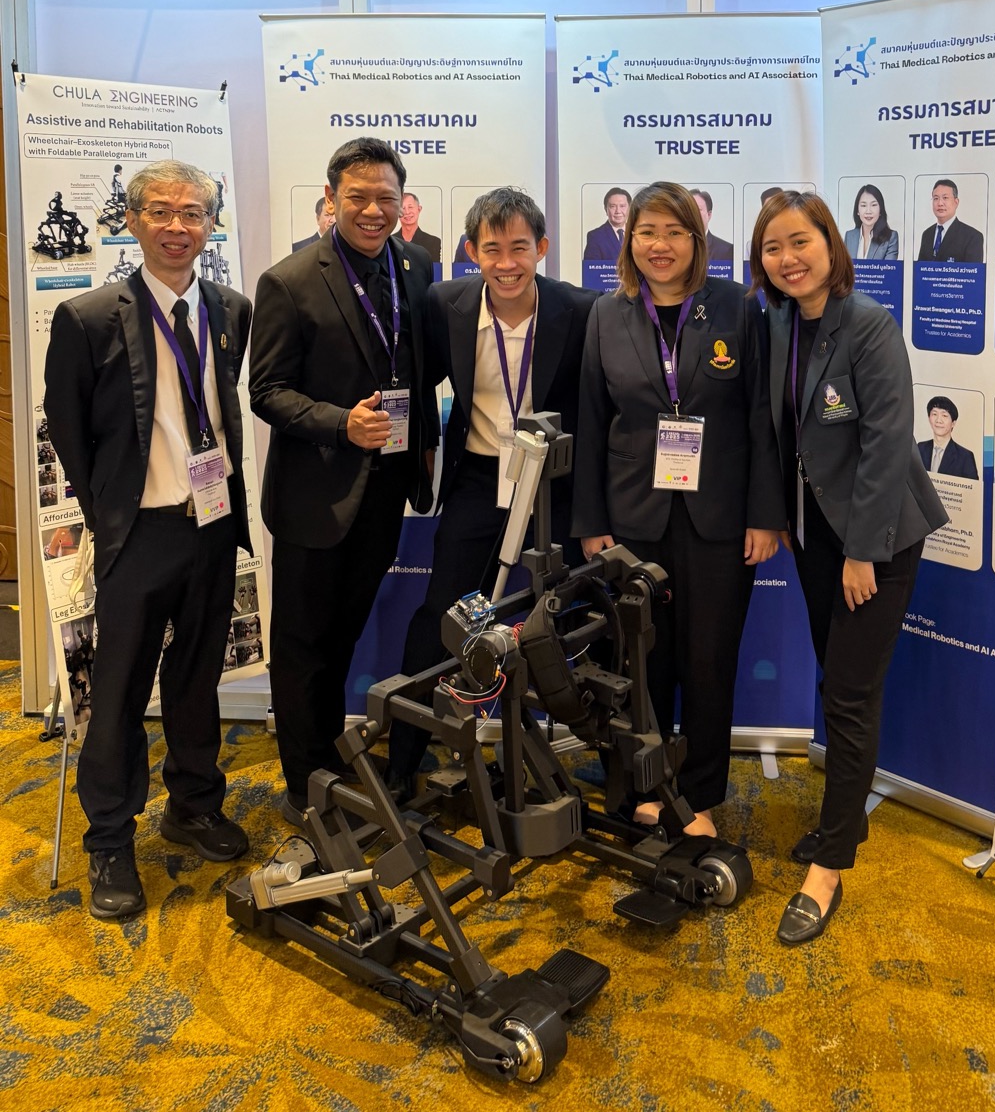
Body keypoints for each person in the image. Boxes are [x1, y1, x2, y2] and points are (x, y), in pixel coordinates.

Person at [43, 159, 254, 919]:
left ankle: (194, 804)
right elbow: (68, 431)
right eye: (160, 211)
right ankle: (110, 839)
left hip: (212, 526)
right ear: (131, 221)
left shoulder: (230, 309)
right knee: (121, 690)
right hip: (138, 535)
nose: (176, 226)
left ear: (211, 225)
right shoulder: (89, 317)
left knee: (197, 678)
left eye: (192, 212)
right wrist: (112, 516)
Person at [750, 190, 947, 945]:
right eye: (773, 247)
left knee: (852, 694)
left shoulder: (868, 324)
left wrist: (863, 551)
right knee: (838, 682)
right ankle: (846, 823)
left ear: (831, 245)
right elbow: (780, 436)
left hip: (877, 537)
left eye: (800, 242)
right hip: (815, 536)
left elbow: (888, 444)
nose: (788, 258)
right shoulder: (776, 323)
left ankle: (829, 866)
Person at [573, 181, 785, 838]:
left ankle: (699, 795)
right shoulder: (606, 314)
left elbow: (762, 417)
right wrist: (591, 523)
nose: (659, 246)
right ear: (629, 241)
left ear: (697, 239)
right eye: (647, 233)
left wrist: (765, 514)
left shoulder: (737, 307)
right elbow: (591, 419)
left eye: (673, 232)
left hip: (719, 519)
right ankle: (646, 785)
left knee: (709, 661)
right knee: (640, 662)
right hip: (632, 519)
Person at [387, 188, 598, 796]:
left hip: (553, 487)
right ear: (471, 250)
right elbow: (415, 381)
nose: (507, 264)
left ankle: (599, 766)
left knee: (563, 621)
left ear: (542, 248)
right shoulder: (445, 305)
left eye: (519, 248)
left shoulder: (581, 310)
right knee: (443, 617)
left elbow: (597, 410)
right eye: (492, 249)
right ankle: (402, 765)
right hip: (480, 480)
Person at [251, 137, 438, 823]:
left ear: (402, 201)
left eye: (386, 197)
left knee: (342, 637)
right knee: (303, 646)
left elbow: (421, 364)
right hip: (315, 495)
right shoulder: (290, 280)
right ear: (331, 199)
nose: (373, 210)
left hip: (385, 489)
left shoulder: (417, 266)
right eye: (358, 197)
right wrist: (339, 424)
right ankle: (307, 787)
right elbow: (266, 391)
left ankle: (331, 759)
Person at [916, 179, 983, 262]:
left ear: (956, 202)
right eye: (936, 198)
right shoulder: (927, 234)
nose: (940, 203)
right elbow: (920, 268)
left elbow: (973, 270)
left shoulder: (972, 237)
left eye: (945, 198)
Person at [917, 395, 979, 480]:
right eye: (934, 414)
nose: (938, 420)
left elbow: (972, 487)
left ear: (953, 423)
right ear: (929, 418)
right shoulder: (920, 448)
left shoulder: (965, 456)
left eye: (944, 415)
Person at [842, 183, 899, 264]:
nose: (868, 211)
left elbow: (889, 270)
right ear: (857, 211)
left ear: (880, 210)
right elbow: (844, 267)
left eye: (873, 205)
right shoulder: (849, 236)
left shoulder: (891, 238)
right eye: (863, 205)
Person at [582, 187, 631, 266]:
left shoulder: (637, 233)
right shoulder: (595, 236)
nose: (618, 211)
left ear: (630, 208)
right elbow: (591, 271)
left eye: (622, 206)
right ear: (606, 209)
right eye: (613, 206)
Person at [396, 190, 443, 270]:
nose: (407, 212)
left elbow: (434, 272)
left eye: (410, 207)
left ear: (419, 209)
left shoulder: (433, 242)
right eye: (403, 208)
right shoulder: (389, 241)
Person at [689, 188, 734, 265]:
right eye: (688, 209)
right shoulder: (674, 246)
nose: (692, 213)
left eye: (697, 209)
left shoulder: (727, 250)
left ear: (709, 215)